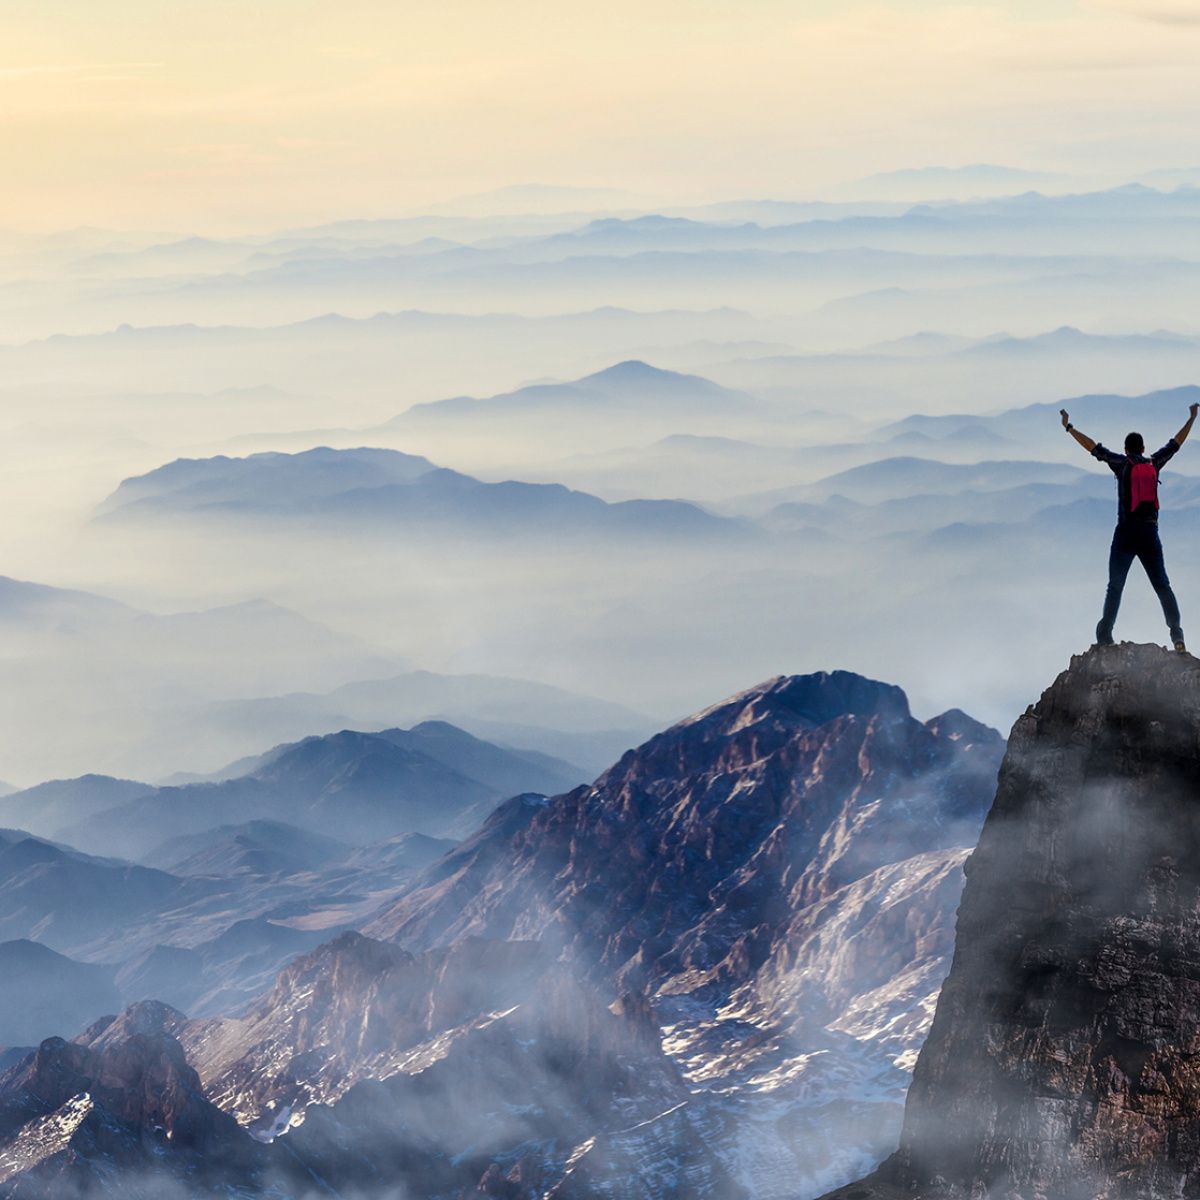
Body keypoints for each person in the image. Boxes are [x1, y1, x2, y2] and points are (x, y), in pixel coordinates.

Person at [1060, 402, 1198, 652]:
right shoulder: (1153, 463)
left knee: (1115, 586)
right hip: (1150, 534)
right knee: (1163, 586)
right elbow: (1176, 444)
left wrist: (1069, 427)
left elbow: (1093, 448)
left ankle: (1104, 637)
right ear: (1143, 449)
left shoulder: (1121, 464)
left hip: (1125, 534)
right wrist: (1192, 418)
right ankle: (1177, 636)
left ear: (1126, 449)